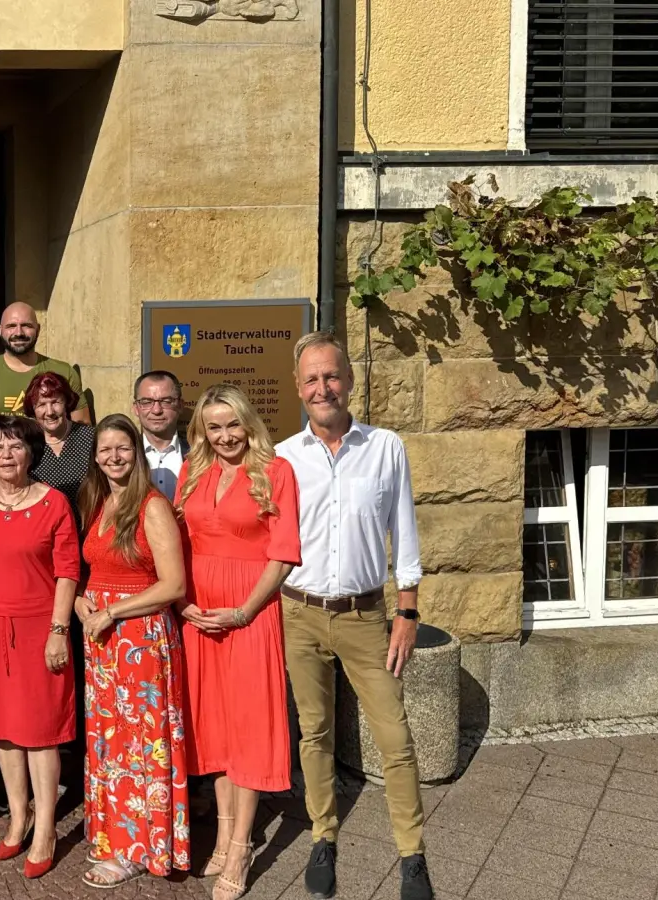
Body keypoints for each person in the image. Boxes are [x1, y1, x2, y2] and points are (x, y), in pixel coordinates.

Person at [275, 332, 434, 900]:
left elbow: (405, 532)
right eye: (312, 379)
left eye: (332, 375)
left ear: (349, 380)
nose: (324, 387)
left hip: (366, 616)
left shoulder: (385, 447)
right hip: (299, 614)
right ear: (299, 388)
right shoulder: (283, 458)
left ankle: (411, 854)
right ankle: (323, 833)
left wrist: (408, 609)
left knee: (395, 734)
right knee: (314, 732)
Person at [175, 384, 300, 900]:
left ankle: (243, 844)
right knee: (216, 730)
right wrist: (182, 603)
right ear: (202, 431)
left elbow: (284, 552)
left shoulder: (276, 473)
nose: (225, 436)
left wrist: (246, 609)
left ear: (248, 423)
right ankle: (225, 837)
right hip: (200, 615)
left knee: (247, 728)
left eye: (233, 425)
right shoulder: (192, 472)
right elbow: (176, 544)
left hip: (249, 614)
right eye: (214, 427)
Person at [0, 414, 81, 880]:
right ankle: (19, 814)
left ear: (31, 451)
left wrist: (58, 629)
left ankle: (48, 828)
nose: (6, 455)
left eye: (15, 446)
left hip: (39, 627)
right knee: (4, 730)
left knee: (41, 731)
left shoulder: (54, 503)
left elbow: (68, 569)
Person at [75, 414, 190, 888]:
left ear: (136, 452)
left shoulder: (151, 505)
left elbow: (174, 583)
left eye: (122, 448)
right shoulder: (99, 501)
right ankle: (114, 836)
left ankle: (142, 847)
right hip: (103, 639)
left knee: (141, 743)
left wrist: (113, 611)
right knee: (109, 740)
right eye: (105, 450)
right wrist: (84, 598)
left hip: (140, 639)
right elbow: (96, 566)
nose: (113, 457)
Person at [0, 302, 85, 423]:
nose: (19, 333)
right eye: (11, 326)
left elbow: (82, 427)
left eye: (26, 325)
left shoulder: (63, 372)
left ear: (38, 329)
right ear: (0, 330)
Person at [25, 371, 95, 508]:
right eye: (42, 404)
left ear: (67, 402)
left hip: (88, 524)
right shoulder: (27, 444)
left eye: (55, 402)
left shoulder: (90, 438)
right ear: (33, 409)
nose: (50, 412)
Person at [133, 371, 188, 502]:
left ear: (180, 405)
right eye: (146, 402)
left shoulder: (198, 453)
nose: (156, 410)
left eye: (166, 401)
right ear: (136, 408)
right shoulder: (126, 454)